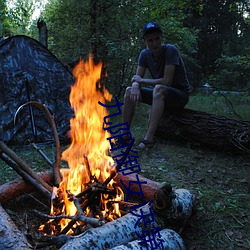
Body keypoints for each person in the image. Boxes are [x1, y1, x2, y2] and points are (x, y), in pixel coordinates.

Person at [122, 21, 191, 149]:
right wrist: (136, 85)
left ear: (161, 37)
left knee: (159, 88)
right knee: (128, 91)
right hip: (160, 95)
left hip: (179, 95)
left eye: (157, 39)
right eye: (150, 40)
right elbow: (137, 78)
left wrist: (140, 81)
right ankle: (125, 136)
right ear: (145, 41)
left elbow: (166, 81)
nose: (154, 43)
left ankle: (149, 138)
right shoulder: (144, 54)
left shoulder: (171, 50)